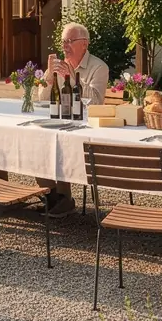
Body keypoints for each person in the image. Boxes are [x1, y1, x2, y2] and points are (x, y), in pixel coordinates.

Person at [37, 22, 110, 217]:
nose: (65, 46)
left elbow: (95, 100)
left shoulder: (98, 67)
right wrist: (50, 79)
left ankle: (62, 199)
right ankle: (54, 198)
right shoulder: (59, 66)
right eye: (63, 41)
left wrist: (70, 78)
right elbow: (42, 100)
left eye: (70, 41)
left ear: (84, 44)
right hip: (61, 122)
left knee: (59, 147)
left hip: (87, 128)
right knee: (36, 143)